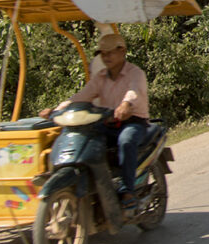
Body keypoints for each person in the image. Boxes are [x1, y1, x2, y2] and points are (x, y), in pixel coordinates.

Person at [40, 33, 149, 211]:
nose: (106, 57)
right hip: (106, 121)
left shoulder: (135, 73)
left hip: (133, 121)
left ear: (122, 51)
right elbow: (81, 96)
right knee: (83, 140)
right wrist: (57, 109)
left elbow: (134, 92)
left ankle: (127, 190)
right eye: (102, 54)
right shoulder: (100, 77)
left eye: (110, 53)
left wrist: (126, 104)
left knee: (126, 141)